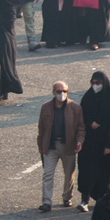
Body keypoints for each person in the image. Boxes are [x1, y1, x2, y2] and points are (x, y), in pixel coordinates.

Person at [36, 80, 81, 211]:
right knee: (47, 174)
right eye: (59, 91)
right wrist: (40, 146)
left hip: (68, 146)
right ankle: (46, 202)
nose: (62, 94)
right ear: (53, 92)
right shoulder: (46, 107)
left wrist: (80, 141)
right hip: (51, 146)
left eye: (64, 91)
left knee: (69, 174)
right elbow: (41, 129)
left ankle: (67, 197)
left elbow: (81, 127)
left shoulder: (75, 107)